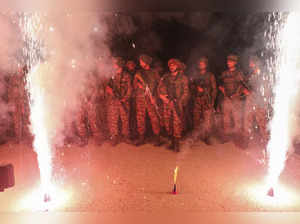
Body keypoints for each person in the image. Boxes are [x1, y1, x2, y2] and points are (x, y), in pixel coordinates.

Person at [158, 58, 189, 152]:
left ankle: (176, 144)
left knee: (177, 124)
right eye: (170, 65)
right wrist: (163, 97)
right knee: (168, 123)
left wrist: (179, 101)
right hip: (167, 104)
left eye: (174, 65)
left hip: (177, 104)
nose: (172, 67)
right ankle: (172, 141)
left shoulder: (183, 78)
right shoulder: (166, 77)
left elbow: (186, 92)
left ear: (177, 66)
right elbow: (160, 88)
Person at [218, 54, 248, 144]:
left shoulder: (239, 73)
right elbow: (220, 84)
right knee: (225, 119)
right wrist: (222, 90)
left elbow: (243, 85)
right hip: (226, 98)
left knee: (237, 119)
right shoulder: (224, 73)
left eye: (231, 61)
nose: (228, 63)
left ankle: (238, 137)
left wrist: (237, 94)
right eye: (228, 61)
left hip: (236, 99)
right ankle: (226, 136)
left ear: (235, 62)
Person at [133, 54, 162, 146]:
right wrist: (139, 85)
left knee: (154, 118)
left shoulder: (154, 73)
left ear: (146, 62)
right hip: (140, 98)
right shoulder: (138, 73)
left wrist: (155, 97)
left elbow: (160, 86)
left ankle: (157, 137)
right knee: (140, 118)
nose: (140, 63)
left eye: (142, 61)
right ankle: (141, 137)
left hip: (151, 98)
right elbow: (134, 85)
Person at [243, 56, 270, 147]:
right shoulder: (251, 76)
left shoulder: (263, 76)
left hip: (260, 102)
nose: (250, 65)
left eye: (252, 63)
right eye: (250, 63)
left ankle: (266, 142)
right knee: (247, 120)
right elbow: (247, 86)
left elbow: (266, 91)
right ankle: (246, 139)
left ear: (256, 63)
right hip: (251, 101)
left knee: (262, 123)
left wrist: (254, 94)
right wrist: (246, 91)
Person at [190, 57, 217, 145]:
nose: (201, 65)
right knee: (196, 119)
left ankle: (207, 137)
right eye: (200, 63)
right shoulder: (196, 75)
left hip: (207, 99)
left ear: (206, 65)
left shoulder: (210, 75)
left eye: (203, 63)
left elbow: (214, 89)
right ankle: (196, 136)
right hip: (197, 99)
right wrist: (196, 88)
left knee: (207, 120)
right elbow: (191, 86)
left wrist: (212, 100)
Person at [106, 57, 132, 146]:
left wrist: (125, 98)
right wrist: (109, 91)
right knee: (113, 120)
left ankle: (126, 136)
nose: (113, 65)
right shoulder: (111, 76)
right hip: (113, 101)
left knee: (125, 119)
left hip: (124, 101)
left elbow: (129, 89)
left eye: (115, 63)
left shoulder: (127, 76)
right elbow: (107, 86)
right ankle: (114, 137)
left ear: (119, 65)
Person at [7, 65, 30, 144]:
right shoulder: (14, 79)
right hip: (16, 102)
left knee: (26, 119)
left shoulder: (24, 79)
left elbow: (25, 92)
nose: (22, 72)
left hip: (22, 102)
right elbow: (11, 92)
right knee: (17, 120)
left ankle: (26, 137)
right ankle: (18, 138)